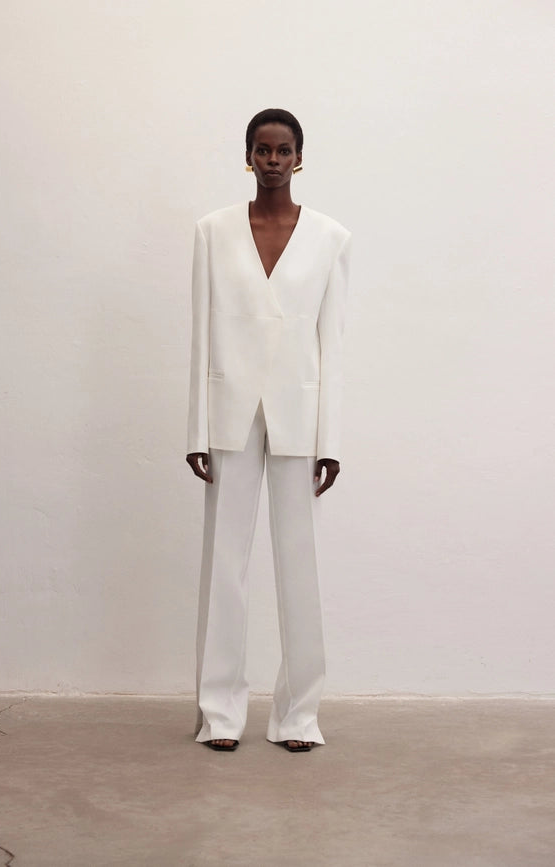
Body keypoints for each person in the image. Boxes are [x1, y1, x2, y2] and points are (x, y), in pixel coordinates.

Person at [186, 108, 351, 753]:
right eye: (263, 149)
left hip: (298, 417)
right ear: (248, 156)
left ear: (299, 157)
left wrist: (330, 440)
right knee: (224, 565)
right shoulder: (212, 232)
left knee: (299, 567)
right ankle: (220, 714)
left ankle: (299, 716)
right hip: (229, 412)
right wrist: (195, 428)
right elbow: (201, 331)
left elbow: (333, 345)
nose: (274, 160)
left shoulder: (331, 238)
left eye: (284, 150)